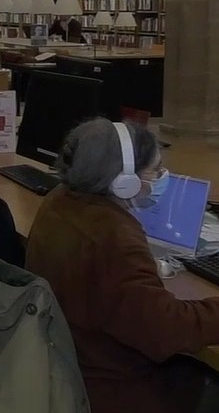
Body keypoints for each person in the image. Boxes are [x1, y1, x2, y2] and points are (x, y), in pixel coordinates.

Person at [25, 118, 219, 413]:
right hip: (115, 388)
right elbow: (168, 331)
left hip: (67, 368)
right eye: (155, 171)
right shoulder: (114, 237)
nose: (161, 178)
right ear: (123, 181)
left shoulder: (59, 201)